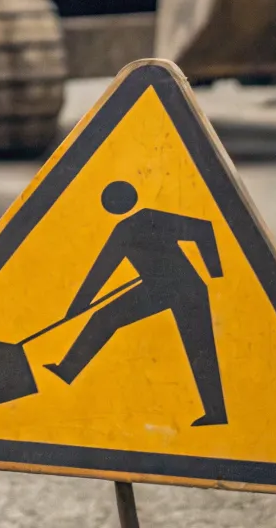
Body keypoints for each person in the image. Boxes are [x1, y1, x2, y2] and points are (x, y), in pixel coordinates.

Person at [43, 179, 227, 426]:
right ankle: (67, 369)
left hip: (187, 290)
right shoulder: (125, 229)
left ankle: (216, 413)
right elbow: (100, 272)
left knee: (199, 347)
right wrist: (76, 307)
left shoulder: (148, 219)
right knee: (104, 318)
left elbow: (203, 230)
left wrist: (216, 273)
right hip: (157, 288)